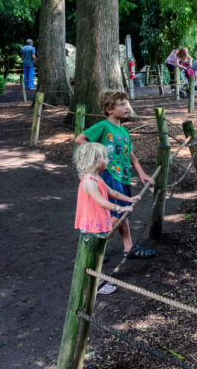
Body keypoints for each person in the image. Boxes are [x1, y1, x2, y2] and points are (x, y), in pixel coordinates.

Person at [75, 91, 156, 260]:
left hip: (124, 176)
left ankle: (128, 247)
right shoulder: (103, 126)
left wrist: (142, 173)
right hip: (111, 176)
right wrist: (97, 157)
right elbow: (80, 139)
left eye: (126, 104)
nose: (125, 107)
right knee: (116, 215)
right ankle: (93, 247)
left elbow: (130, 154)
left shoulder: (124, 131)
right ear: (109, 109)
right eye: (121, 104)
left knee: (122, 214)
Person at [73, 142, 139, 294]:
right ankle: (93, 286)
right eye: (105, 158)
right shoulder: (89, 181)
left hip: (99, 222)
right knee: (93, 257)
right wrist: (120, 208)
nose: (108, 160)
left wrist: (129, 199)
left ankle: (96, 281)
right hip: (91, 225)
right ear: (95, 161)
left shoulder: (97, 177)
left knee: (98, 255)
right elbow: (101, 201)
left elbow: (112, 193)